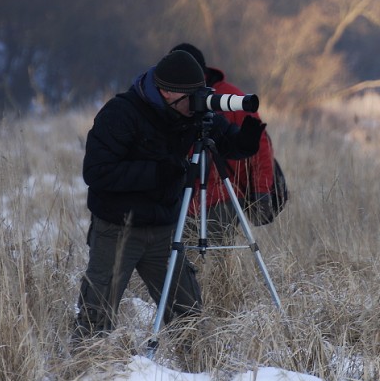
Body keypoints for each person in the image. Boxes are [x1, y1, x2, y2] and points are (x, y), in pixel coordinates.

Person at [74, 50, 266, 341]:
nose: (196, 103)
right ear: (166, 92)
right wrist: (156, 172)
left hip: (165, 230)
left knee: (188, 314)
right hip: (118, 229)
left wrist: (247, 140)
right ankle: (86, 375)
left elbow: (227, 143)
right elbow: (97, 173)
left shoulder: (192, 114)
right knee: (96, 314)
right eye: (191, 96)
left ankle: (197, 375)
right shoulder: (121, 113)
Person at [170, 43, 276, 238]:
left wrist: (261, 191)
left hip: (223, 196)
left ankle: (221, 270)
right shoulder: (168, 101)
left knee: (215, 258)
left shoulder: (230, 98)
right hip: (179, 197)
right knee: (180, 257)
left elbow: (259, 148)